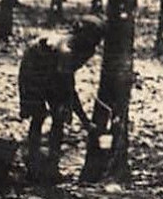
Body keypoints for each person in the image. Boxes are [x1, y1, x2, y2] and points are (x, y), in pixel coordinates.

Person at [18, 15, 107, 183]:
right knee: (38, 115)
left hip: (54, 72)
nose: (96, 42)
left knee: (59, 117)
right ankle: (33, 164)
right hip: (34, 68)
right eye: (94, 37)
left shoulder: (86, 50)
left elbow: (66, 82)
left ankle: (52, 166)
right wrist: (85, 121)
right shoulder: (66, 51)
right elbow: (68, 88)